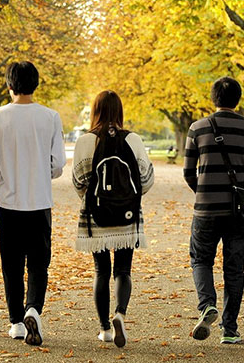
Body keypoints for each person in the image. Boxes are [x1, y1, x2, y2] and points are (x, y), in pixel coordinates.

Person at [0, 61, 65, 346]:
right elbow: (57, 166)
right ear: (36, 83)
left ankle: (17, 321)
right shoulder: (50, 117)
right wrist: (40, 171)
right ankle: (34, 308)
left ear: (9, 84)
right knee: (39, 264)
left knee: (12, 264)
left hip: (9, 202)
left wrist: (9, 171)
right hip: (40, 201)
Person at [183, 76, 244, 344]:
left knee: (200, 259)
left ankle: (207, 305)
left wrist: (203, 191)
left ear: (213, 98)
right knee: (234, 268)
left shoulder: (197, 128)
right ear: (238, 99)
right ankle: (229, 329)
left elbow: (188, 172)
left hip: (205, 210)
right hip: (238, 213)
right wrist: (241, 191)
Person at [71, 90, 155, 348]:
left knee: (101, 270)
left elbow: (78, 181)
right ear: (119, 111)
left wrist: (91, 198)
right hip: (127, 215)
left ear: (96, 110)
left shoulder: (85, 141)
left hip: (95, 214)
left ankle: (105, 329)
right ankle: (120, 312)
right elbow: (147, 179)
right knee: (123, 269)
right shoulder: (133, 139)